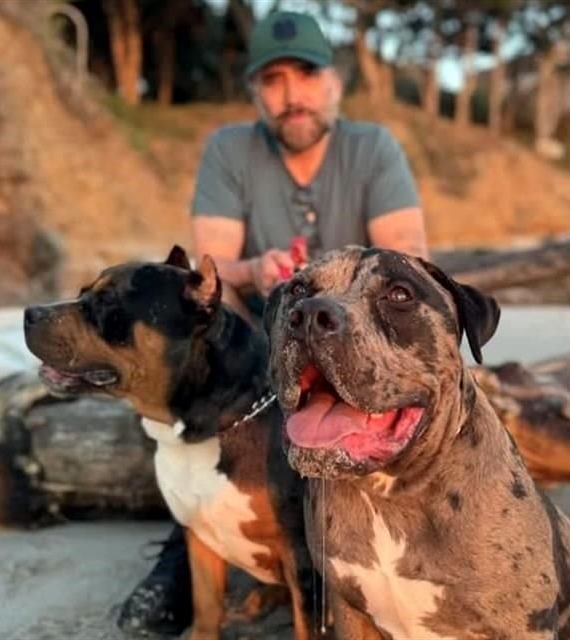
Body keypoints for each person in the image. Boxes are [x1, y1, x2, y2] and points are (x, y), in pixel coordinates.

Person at [116, 9, 429, 637]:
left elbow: (411, 265)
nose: (293, 96)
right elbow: (210, 270)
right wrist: (257, 271)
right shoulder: (230, 149)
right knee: (187, 385)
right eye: (274, 80)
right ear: (256, 91)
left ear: (334, 81)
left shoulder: (373, 149)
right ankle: (192, 542)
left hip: (358, 348)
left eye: (307, 75)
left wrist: (328, 289)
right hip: (256, 354)